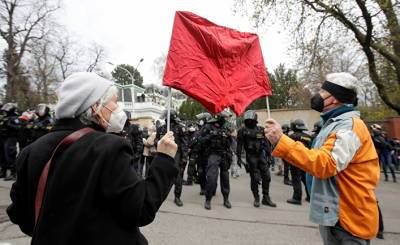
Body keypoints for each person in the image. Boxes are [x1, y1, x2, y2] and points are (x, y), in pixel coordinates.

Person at [7, 72, 178, 245]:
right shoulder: (109, 147)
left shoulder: (30, 151)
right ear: (95, 106)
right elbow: (141, 209)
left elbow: (19, 214)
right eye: (114, 101)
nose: (118, 108)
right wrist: (164, 159)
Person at [265, 72, 380, 244]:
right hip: (335, 216)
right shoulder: (333, 124)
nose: (317, 95)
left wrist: (282, 141)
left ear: (334, 98)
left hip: (348, 221)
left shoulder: (348, 127)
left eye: (322, 91)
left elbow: (325, 164)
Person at [237, 110, 276, 208]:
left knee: (267, 177)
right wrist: (238, 158)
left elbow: (266, 144)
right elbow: (239, 145)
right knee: (254, 178)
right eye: (248, 119)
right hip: (251, 156)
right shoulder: (242, 130)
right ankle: (256, 197)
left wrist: (270, 155)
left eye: (251, 119)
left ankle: (266, 197)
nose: (249, 121)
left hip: (261, 155)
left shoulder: (261, 129)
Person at [198, 111, 233, 210]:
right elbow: (200, 140)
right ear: (219, 118)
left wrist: (228, 139)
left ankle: (226, 199)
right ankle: (208, 199)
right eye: (224, 118)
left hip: (224, 155)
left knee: (225, 178)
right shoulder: (208, 127)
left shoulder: (226, 127)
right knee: (212, 178)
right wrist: (211, 135)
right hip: (213, 154)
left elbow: (230, 141)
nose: (226, 119)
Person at [155, 109, 187, 207]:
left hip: (176, 154)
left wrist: (184, 156)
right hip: (164, 154)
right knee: (162, 175)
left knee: (177, 177)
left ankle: (177, 197)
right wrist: (158, 143)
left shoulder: (179, 128)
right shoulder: (162, 128)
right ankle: (159, 196)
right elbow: (156, 139)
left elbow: (185, 142)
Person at [287, 119, 312, 205]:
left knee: (296, 179)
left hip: (295, 161)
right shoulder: (309, 137)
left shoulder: (292, 137)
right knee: (305, 179)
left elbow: (288, 149)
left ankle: (297, 198)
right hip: (306, 161)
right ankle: (309, 196)